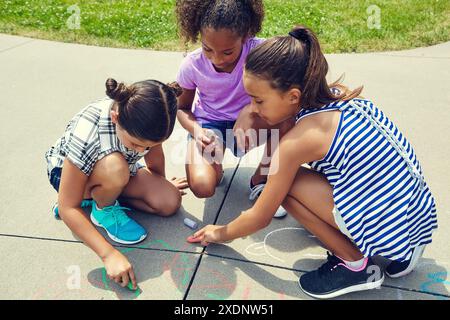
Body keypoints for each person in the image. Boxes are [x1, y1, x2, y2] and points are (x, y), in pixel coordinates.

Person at [190, 26, 438, 299]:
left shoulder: (297, 144)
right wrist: (251, 110)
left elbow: (260, 217)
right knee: (288, 177)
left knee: (283, 186)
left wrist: (220, 233)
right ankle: (396, 248)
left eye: (258, 100)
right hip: (413, 218)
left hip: (388, 228)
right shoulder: (336, 96)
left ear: (293, 96)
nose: (252, 107)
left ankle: (354, 265)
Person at [45, 78, 188, 289]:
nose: (142, 151)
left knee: (168, 201)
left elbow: (153, 157)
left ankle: (105, 196)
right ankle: (101, 210)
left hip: (118, 171)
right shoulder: (87, 133)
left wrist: (161, 184)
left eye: (150, 145)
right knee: (115, 168)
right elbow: (68, 208)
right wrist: (109, 254)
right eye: (136, 144)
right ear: (115, 117)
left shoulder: (149, 118)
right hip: (71, 175)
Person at [175, 0, 293, 217]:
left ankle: (261, 181)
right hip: (210, 127)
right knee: (202, 186)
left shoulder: (261, 52)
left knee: (287, 116)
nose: (217, 59)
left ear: (246, 35)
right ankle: (215, 171)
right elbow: (181, 108)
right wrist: (197, 132)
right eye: (207, 48)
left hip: (253, 122)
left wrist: (250, 110)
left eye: (227, 52)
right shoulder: (191, 65)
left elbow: (288, 95)